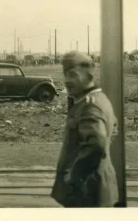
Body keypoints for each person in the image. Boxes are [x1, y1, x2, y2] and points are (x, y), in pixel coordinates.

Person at [51, 51, 119, 208]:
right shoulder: (98, 99)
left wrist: (74, 176)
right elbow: (113, 130)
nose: (67, 81)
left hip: (87, 191)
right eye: (66, 75)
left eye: (73, 75)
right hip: (96, 187)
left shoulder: (90, 106)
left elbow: (97, 145)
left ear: (89, 76)